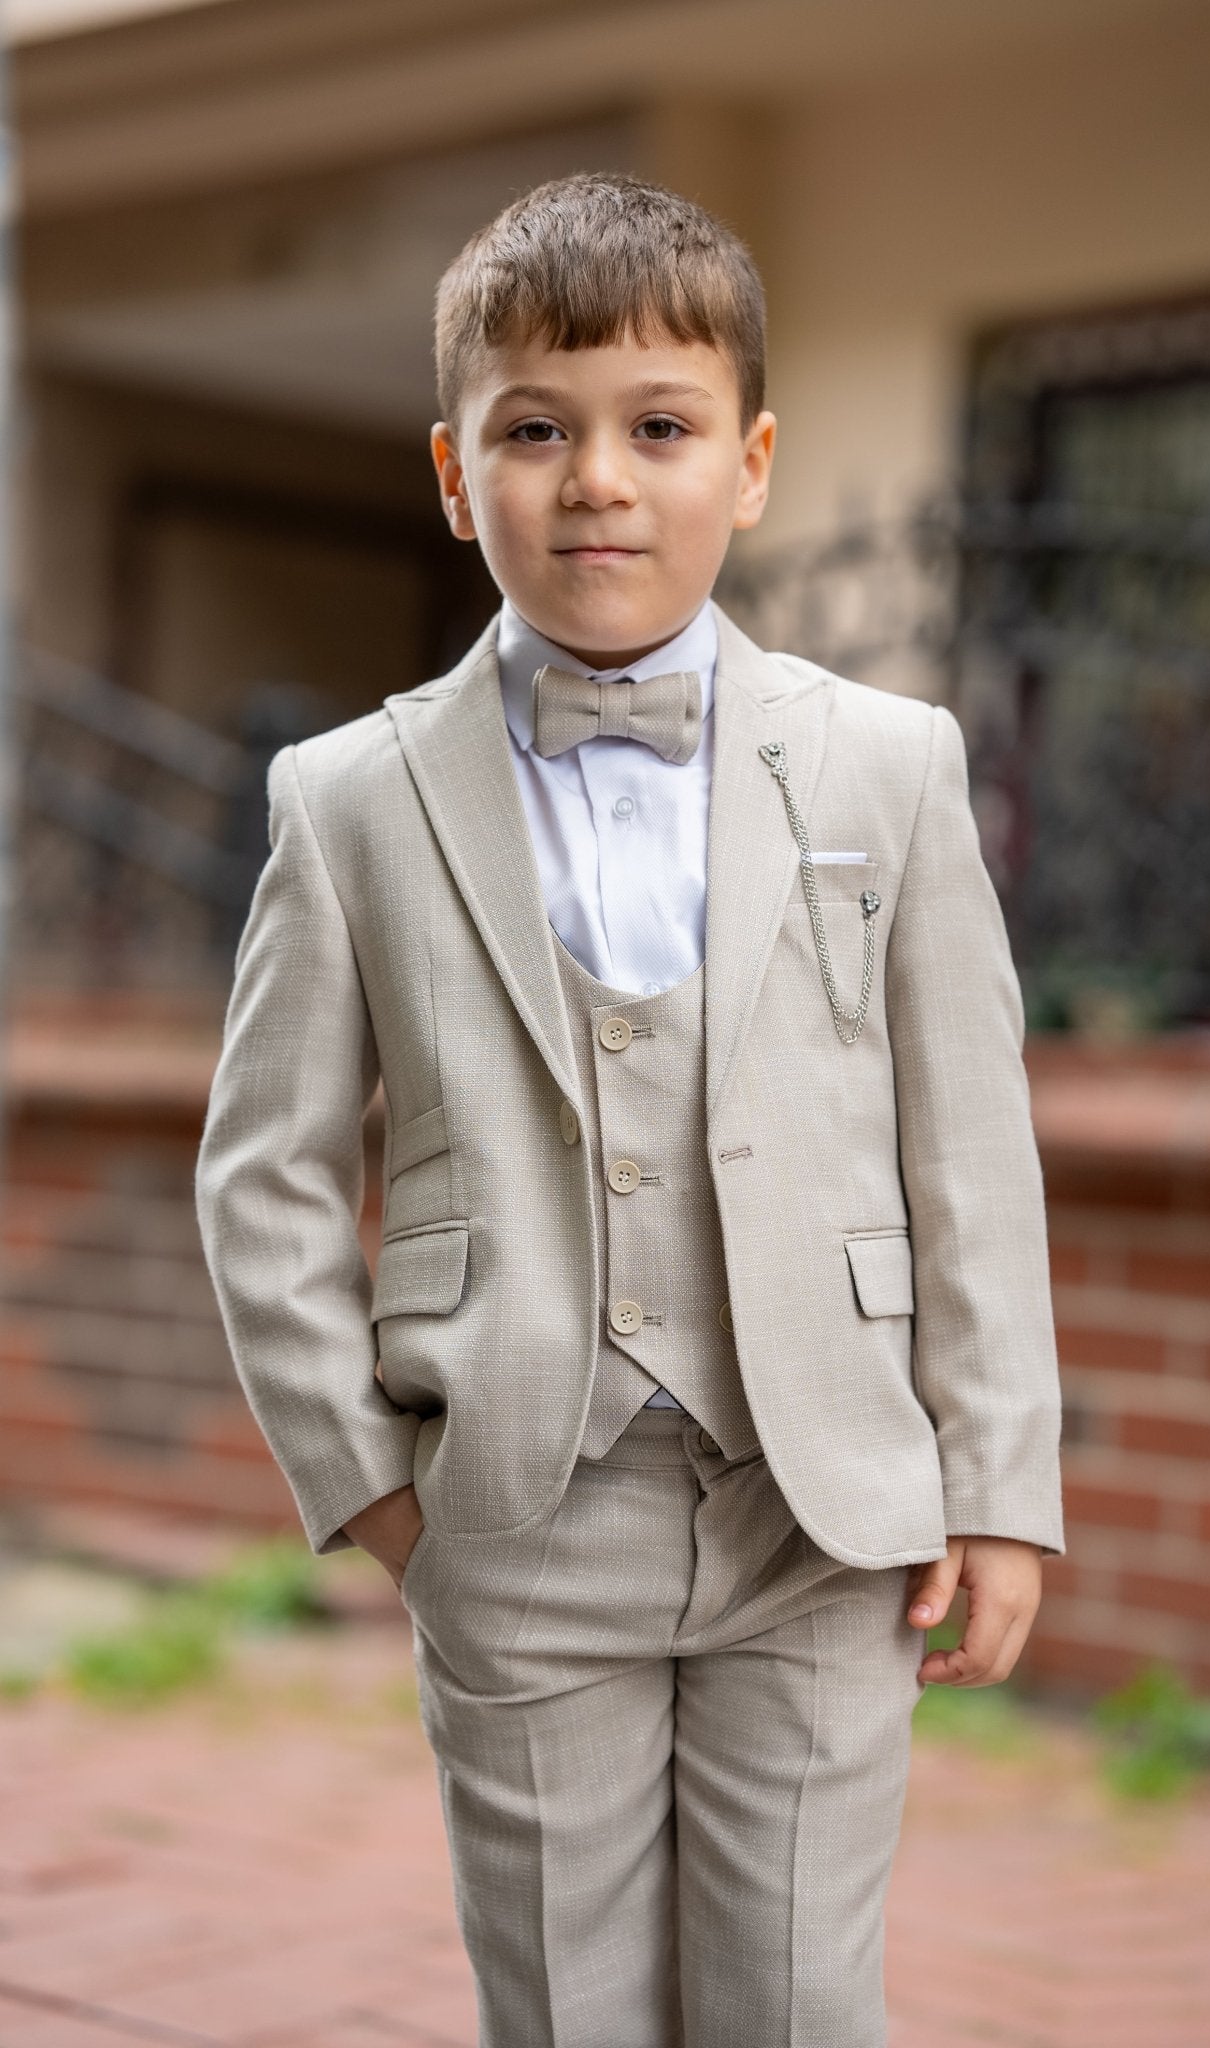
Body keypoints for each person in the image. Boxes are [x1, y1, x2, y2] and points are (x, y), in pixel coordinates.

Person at [195, 169, 1065, 2048]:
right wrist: (375, 1495)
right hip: (514, 1511)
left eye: (659, 427)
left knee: (797, 2003)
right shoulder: (349, 800)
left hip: (817, 1511)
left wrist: (998, 1483)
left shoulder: (887, 765)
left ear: (747, 463)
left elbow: (968, 1150)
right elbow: (259, 1178)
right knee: (568, 2011)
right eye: (536, 430)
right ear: (455, 476)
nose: (600, 478)